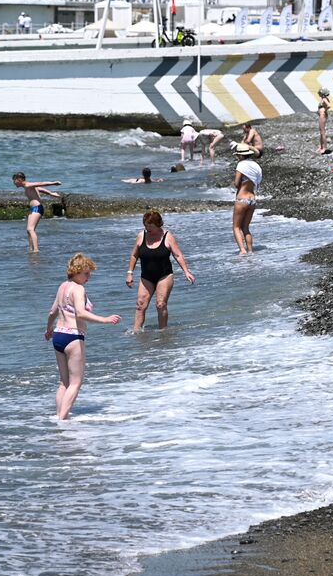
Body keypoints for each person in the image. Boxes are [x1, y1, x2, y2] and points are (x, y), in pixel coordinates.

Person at [45, 253, 121, 419]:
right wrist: (105, 319)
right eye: (86, 273)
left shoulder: (62, 286)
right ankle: (62, 420)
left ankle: (59, 416)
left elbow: (53, 312)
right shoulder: (78, 289)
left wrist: (49, 329)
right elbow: (80, 313)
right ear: (77, 271)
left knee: (64, 382)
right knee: (75, 382)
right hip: (73, 337)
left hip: (58, 335)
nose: (89, 276)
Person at [125, 209, 196, 330]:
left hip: (164, 275)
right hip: (146, 277)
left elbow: (178, 255)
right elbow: (134, 255)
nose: (148, 229)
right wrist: (130, 273)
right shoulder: (141, 236)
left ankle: (163, 332)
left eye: (150, 226)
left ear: (158, 225)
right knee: (140, 305)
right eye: (146, 226)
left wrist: (186, 271)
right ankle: (136, 332)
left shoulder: (168, 236)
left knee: (160, 304)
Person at [13, 172, 63, 252]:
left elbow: (41, 183)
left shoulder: (28, 185)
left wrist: (53, 183)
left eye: (14, 180)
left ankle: (36, 250)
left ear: (19, 179)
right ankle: (31, 249)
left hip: (37, 208)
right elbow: (40, 189)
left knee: (30, 229)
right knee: (29, 230)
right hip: (34, 208)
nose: (13, 182)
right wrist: (51, 193)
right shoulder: (28, 186)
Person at [232, 151, 263, 255]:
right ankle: (250, 251)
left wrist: (237, 182)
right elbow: (257, 183)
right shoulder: (256, 165)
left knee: (236, 227)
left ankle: (242, 250)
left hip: (242, 198)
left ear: (241, 155)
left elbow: (236, 184)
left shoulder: (241, 165)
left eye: (237, 155)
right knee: (246, 227)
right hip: (252, 199)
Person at [316, 88, 332, 154]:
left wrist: (324, 110)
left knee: (322, 132)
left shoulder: (325, 99)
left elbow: (329, 105)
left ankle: (324, 148)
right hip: (322, 115)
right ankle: (321, 146)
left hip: (323, 115)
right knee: (321, 132)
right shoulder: (323, 99)